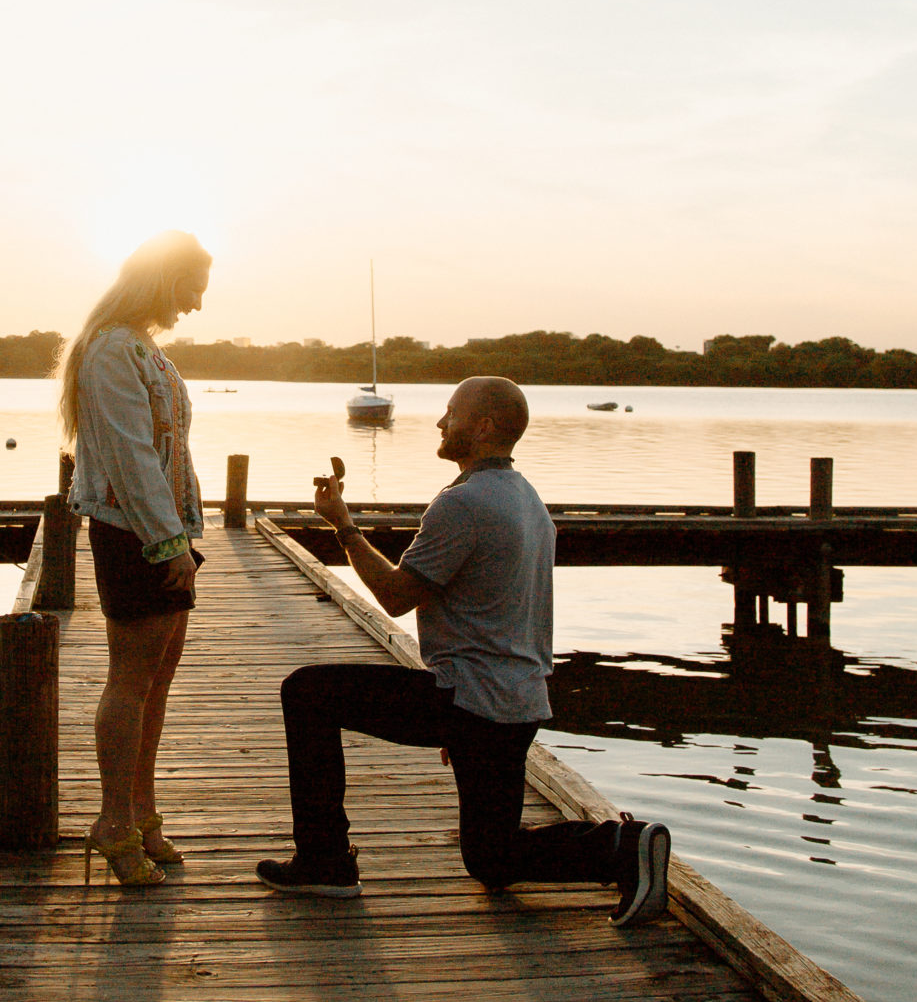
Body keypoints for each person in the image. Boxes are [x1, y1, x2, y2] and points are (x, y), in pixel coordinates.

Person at [256, 375, 671, 921]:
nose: (439, 422)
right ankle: (621, 847)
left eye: (450, 413)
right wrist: (459, 720)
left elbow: (397, 596)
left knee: (307, 692)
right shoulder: (529, 502)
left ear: (482, 427)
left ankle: (324, 862)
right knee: (491, 858)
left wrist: (344, 527)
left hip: (472, 698)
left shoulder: (464, 504)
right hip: (514, 703)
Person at [60, 230, 212, 888]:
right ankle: (113, 821)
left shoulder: (143, 348)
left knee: (157, 679)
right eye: (193, 289)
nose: (197, 306)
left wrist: (185, 535)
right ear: (163, 279)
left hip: (165, 532)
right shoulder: (109, 352)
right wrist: (168, 544)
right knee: (130, 677)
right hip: (134, 534)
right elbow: (129, 454)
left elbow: (170, 451)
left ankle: (143, 813)